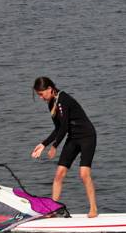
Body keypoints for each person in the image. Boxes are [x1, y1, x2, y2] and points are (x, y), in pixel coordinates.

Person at [30, 77, 98, 218]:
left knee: (84, 174)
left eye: (41, 94)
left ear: (50, 89)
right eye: (39, 95)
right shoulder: (51, 104)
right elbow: (58, 128)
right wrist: (43, 144)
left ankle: (93, 208)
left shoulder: (64, 99)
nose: (41, 98)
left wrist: (55, 146)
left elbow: (65, 127)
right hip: (73, 138)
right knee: (59, 174)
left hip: (87, 136)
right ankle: (53, 209)